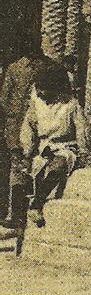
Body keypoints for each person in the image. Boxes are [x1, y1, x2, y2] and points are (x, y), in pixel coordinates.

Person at [18, 59, 91, 229]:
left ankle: (36, 205)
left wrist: (83, 151)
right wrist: (27, 151)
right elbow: (28, 128)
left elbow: (83, 129)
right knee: (30, 172)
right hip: (44, 147)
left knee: (57, 166)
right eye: (39, 89)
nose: (41, 93)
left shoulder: (70, 105)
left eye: (44, 90)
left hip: (65, 147)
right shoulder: (36, 104)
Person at [0, 36, 45, 233]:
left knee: (18, 167)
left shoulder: (14, 68)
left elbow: (4, 99)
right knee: (26, 166)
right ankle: (20, 212)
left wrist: (14, 112)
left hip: (19, 125)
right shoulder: (43, 67)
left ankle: (15, 213)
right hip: (30, 124)